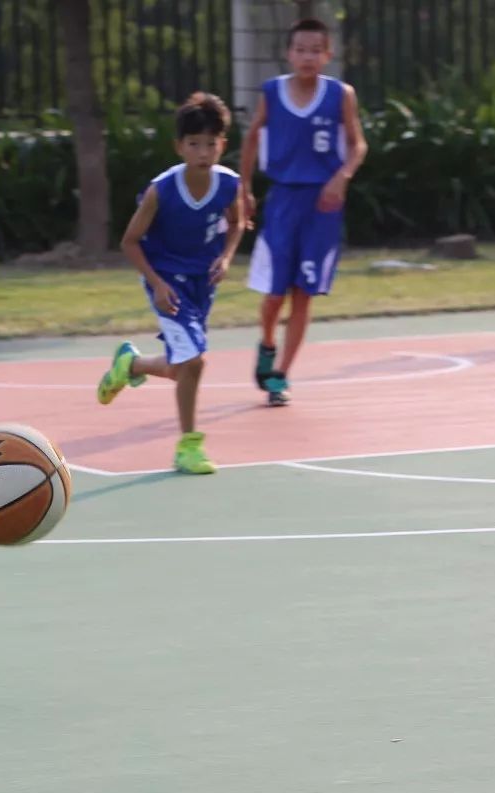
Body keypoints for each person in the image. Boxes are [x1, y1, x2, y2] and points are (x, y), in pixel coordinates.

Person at [97, 92, 244, 475]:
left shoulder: (229, 185)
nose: (203, 151)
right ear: (179, 146)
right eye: (194, 144)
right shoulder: (161, 191)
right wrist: (157, 284)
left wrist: (226, 257)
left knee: (183, 368)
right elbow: (129, 242)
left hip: (202, 284)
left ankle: (132, 364)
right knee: (195, 360)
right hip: (167, 282)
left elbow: (238, 221)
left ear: (222, 145)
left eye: (211, 144)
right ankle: (188, 446)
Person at [239, 17, 369, 405]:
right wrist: (244, 188)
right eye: (301, 49)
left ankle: (281, 375)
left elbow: (358, 144)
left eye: (316, 50)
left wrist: (341, 176)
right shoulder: (272, 92)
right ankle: (266, 342)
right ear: (289, 53)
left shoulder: (341, 94)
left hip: (323, 204)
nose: (308, 56)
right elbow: (250, 137)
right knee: (274, 295)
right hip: (283, 201)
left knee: (304, 292)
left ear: (328, 55)